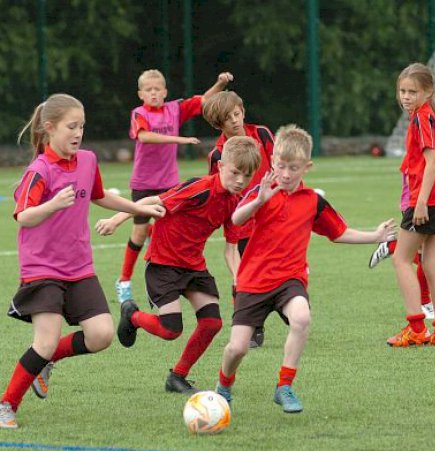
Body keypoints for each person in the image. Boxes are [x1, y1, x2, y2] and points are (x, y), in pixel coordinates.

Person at [0, 94, 165, 429]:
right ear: (49, 128)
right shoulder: (40, 170)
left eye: (82, 127)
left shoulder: (88, 160)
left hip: (79, 267)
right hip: (42, 269)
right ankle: (7, 404)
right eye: (71, 127)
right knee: (44, 340)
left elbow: (101, 196)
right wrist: (53, 205)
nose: (78, 133)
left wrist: (139, 209)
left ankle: (46, 362)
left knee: (102, 335)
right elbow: (23, 216)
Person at [215, 125, 395, 413]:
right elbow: (236, 219)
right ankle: (224, 385)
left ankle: (284, 386)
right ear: (272, 161)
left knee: (300, 318)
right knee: (237, 348)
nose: (286, 174)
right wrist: (259, 201)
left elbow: (338, 232)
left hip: (290, 279)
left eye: (294, 168)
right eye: (281, 166)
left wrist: (374, 237)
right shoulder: (261, 193)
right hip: (253, 281)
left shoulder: (312, 201)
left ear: (307, 167)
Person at [95, 136, 261, 394]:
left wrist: (241, 280)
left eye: (247, 176)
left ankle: (178, 377)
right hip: (164, 264)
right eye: (235, 172)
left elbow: (230, 250)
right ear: (221, 167)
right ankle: (133, 316)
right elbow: (152, 201)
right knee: (171, 330)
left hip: (194, 267)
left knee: (212, 323)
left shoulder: (235, 202)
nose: (240, 180)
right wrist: (117, 219)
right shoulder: (200, 188)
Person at [115, 69, 234, 304]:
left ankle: (162, 282)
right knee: (139, 232)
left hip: (169, 182)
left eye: (157, 89)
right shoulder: (139, 113)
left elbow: (204, 101)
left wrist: (219, 83)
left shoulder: (174, 109)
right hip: (144, 181)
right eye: (148, 90)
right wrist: (180, 140)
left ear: (165, 91)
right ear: (141, 94)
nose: (153, 93)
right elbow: (145, 137)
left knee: (169, 229)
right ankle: (124, 281)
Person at [369, 95, 435, 325]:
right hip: (419, 200)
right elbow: (411, 169)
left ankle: (392, 247)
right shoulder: (432, 139)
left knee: (428, 259)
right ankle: (424, 303)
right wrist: (408, 201)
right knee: (425, 257)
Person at [383, 63, 435, 348]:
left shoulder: (422, 119)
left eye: (412, 91)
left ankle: (416, 327)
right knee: (431, 264)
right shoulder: (427, 117)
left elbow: (432, 162)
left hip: (429, 199)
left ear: (428, 92)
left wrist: (421, 202)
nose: (405, 96)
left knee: (401, 259)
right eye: (402, 91)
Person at [203, 91, 274, 348]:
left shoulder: (262, 134)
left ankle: (287, 303)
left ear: (243, 110)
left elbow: (279, 165)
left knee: (274, 268)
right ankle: (251, 327)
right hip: (240, 220)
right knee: (244, 274)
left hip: (271, 216)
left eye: (237, 113)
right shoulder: (218, 155)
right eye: (227, 118)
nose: (235, 120)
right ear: (218, 124)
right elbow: (216, 189)